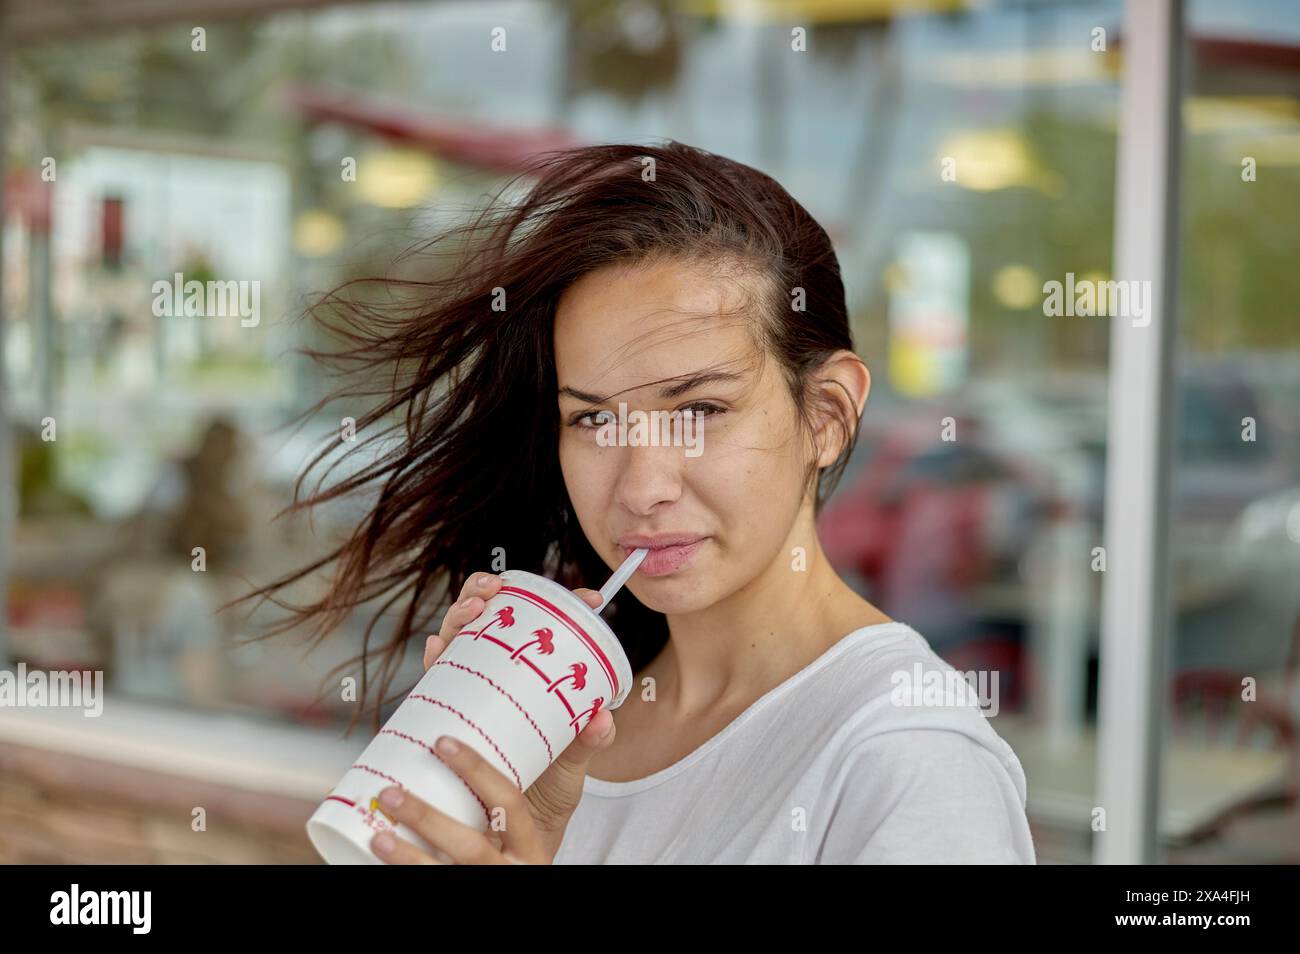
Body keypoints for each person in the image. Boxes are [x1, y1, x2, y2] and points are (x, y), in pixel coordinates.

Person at [234, 140, 1035, 864]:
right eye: (593, 419)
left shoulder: (911, 762)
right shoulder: (556, 735)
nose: (642, 485)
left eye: (699, 411)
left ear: (825, 416)